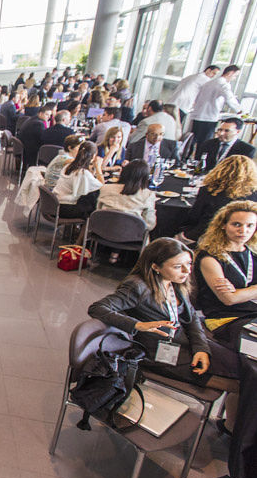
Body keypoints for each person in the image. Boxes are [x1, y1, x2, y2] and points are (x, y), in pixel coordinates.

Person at [88, 238, 239, 387]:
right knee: (239, 384)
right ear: (155, 267)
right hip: (158, 354)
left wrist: (201, 347)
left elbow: (192, 317)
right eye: (178, 266)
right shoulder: (138, 286)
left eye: (189, 264)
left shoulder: (176, 282)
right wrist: (138, 325)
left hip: (183, 343)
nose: (187, 271)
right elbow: (97, 308)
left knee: (242, 366)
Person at [194, 201, 257, 352]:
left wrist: (240, 292)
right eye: (237, 224)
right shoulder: (210, 257)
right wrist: (248, 292)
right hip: (225, 319)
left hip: (252, 314)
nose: (243, 230)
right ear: (223, 225)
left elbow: (235, 295)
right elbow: (228, 299)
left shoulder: (253, 252)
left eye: (250, 225)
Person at [181, 155, 257, 243]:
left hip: (204, 235)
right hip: (241, 238)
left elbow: (194, 216)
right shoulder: (254, 194)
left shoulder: (209, 190)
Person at [96, 159, 157, 263]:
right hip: (132, 236)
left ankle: (112, 253)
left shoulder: (106, 188)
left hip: (102, 231)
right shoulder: (147, 195)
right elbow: (150, 224)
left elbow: (98, 211)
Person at [191, 65, 243, 149]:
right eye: (235, 76)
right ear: (230, 73)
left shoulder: (210, 82)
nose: (234, 78)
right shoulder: (223, 84)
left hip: (198, 115)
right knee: (204, 143)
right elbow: (229, 98)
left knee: (193, 141)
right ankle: (200, 160)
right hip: (208, 117)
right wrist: (240, 111)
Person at [52, 141, 104, 218]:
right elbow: (101, 185)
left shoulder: (69, 166)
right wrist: (98, 167)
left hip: (55, 203)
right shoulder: (82, 173)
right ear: (93, 156)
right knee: (94, 198)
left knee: (89, 197)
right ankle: (82, 229)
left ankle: (74, 229)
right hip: (64, 208)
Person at [17, 102, 54, 169]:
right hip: (29, 152)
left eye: (50, 115)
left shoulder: (33, 119)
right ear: (40, 113)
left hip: (23, 147)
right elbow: (43, 138)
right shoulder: (38, 124)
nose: (49, 117)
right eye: (47, 114)